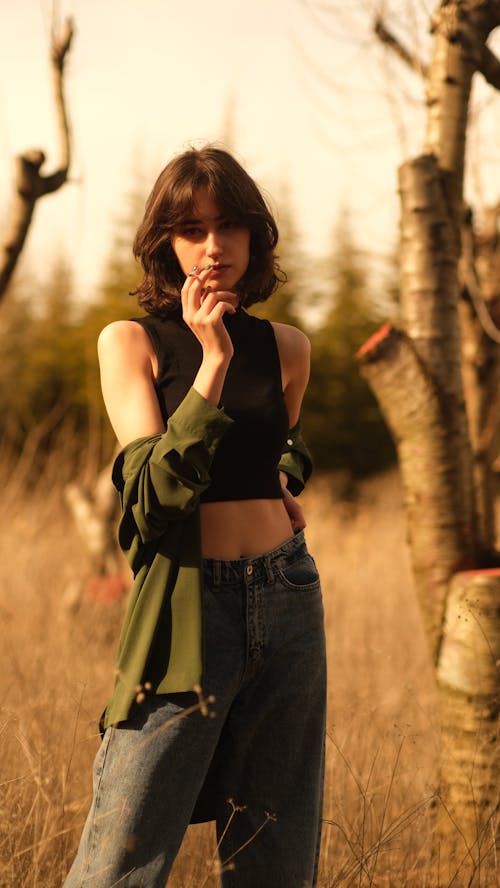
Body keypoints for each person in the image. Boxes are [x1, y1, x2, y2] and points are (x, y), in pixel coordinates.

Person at [63, 145, 326, 888]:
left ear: (255, 236)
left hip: (288, 597)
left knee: (275, 848)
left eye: (231, 225)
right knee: (124, 853)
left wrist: (282, 474)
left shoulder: (287, 348)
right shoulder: (132, 343)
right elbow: (150, 497)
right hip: (185, 608)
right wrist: (209, 365)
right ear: (165, 244)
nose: (215, 246)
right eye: (193, 228)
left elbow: (287, 441)